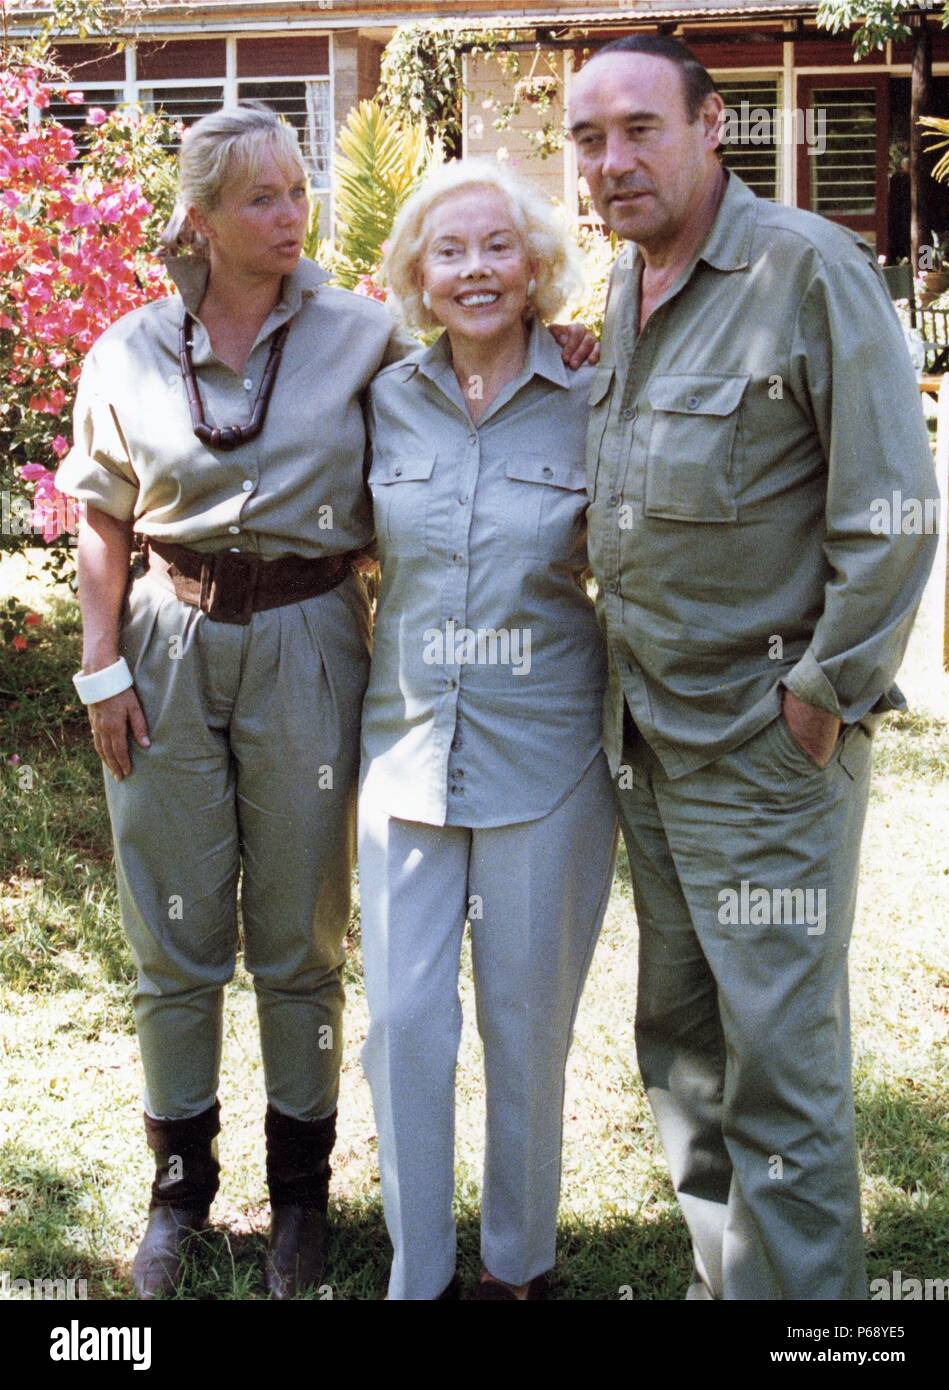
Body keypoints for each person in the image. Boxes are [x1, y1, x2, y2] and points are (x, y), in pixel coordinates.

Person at [55, 105, 595, 1300]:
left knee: (302, 935)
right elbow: (99, 511)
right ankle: (178, 1190)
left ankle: (301, 1194)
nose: (292, 214)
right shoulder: (130, 351)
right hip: (164, 641)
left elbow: (482, 384)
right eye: (262, 199)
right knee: (173, 930)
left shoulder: (361, 339)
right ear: (199, 219)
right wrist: (102, 665)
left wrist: (575, 347)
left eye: (300, 190)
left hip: (311, 636)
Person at [568, 34, 939, 1300]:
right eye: (587, 138)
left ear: (711, 123)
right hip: (647, 740)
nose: (612, 161)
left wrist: (819, 699)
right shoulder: (631, 283)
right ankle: (732, 1280)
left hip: (765, 749)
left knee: (777, 1058)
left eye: (639, 129)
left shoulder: (805, 271)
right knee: (678, 1043)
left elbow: (893, 512)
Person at [358, 159, 618, 1300]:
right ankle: (417, 1277)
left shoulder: (593, 393)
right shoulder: (379, 394)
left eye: (497, 249)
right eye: (449, 252)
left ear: (535, 268)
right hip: (403, 752)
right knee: (406, 1025)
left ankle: (518, 1270)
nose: (474, 271)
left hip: (546, 754)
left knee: (525, 1027)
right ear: (418, 272)